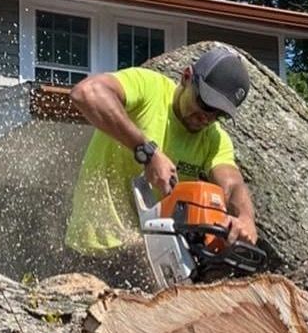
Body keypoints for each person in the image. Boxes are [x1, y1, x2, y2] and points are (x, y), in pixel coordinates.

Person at [65, 45, 258, 275]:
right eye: (205, 104)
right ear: (187, 77)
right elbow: (86, 93)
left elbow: (233, 184)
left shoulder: (214, 140)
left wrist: (246, 218)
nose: (207, 118)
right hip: (93, 250)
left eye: (219, 114)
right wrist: (146, 151)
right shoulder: (149, 88)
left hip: (151, 259)